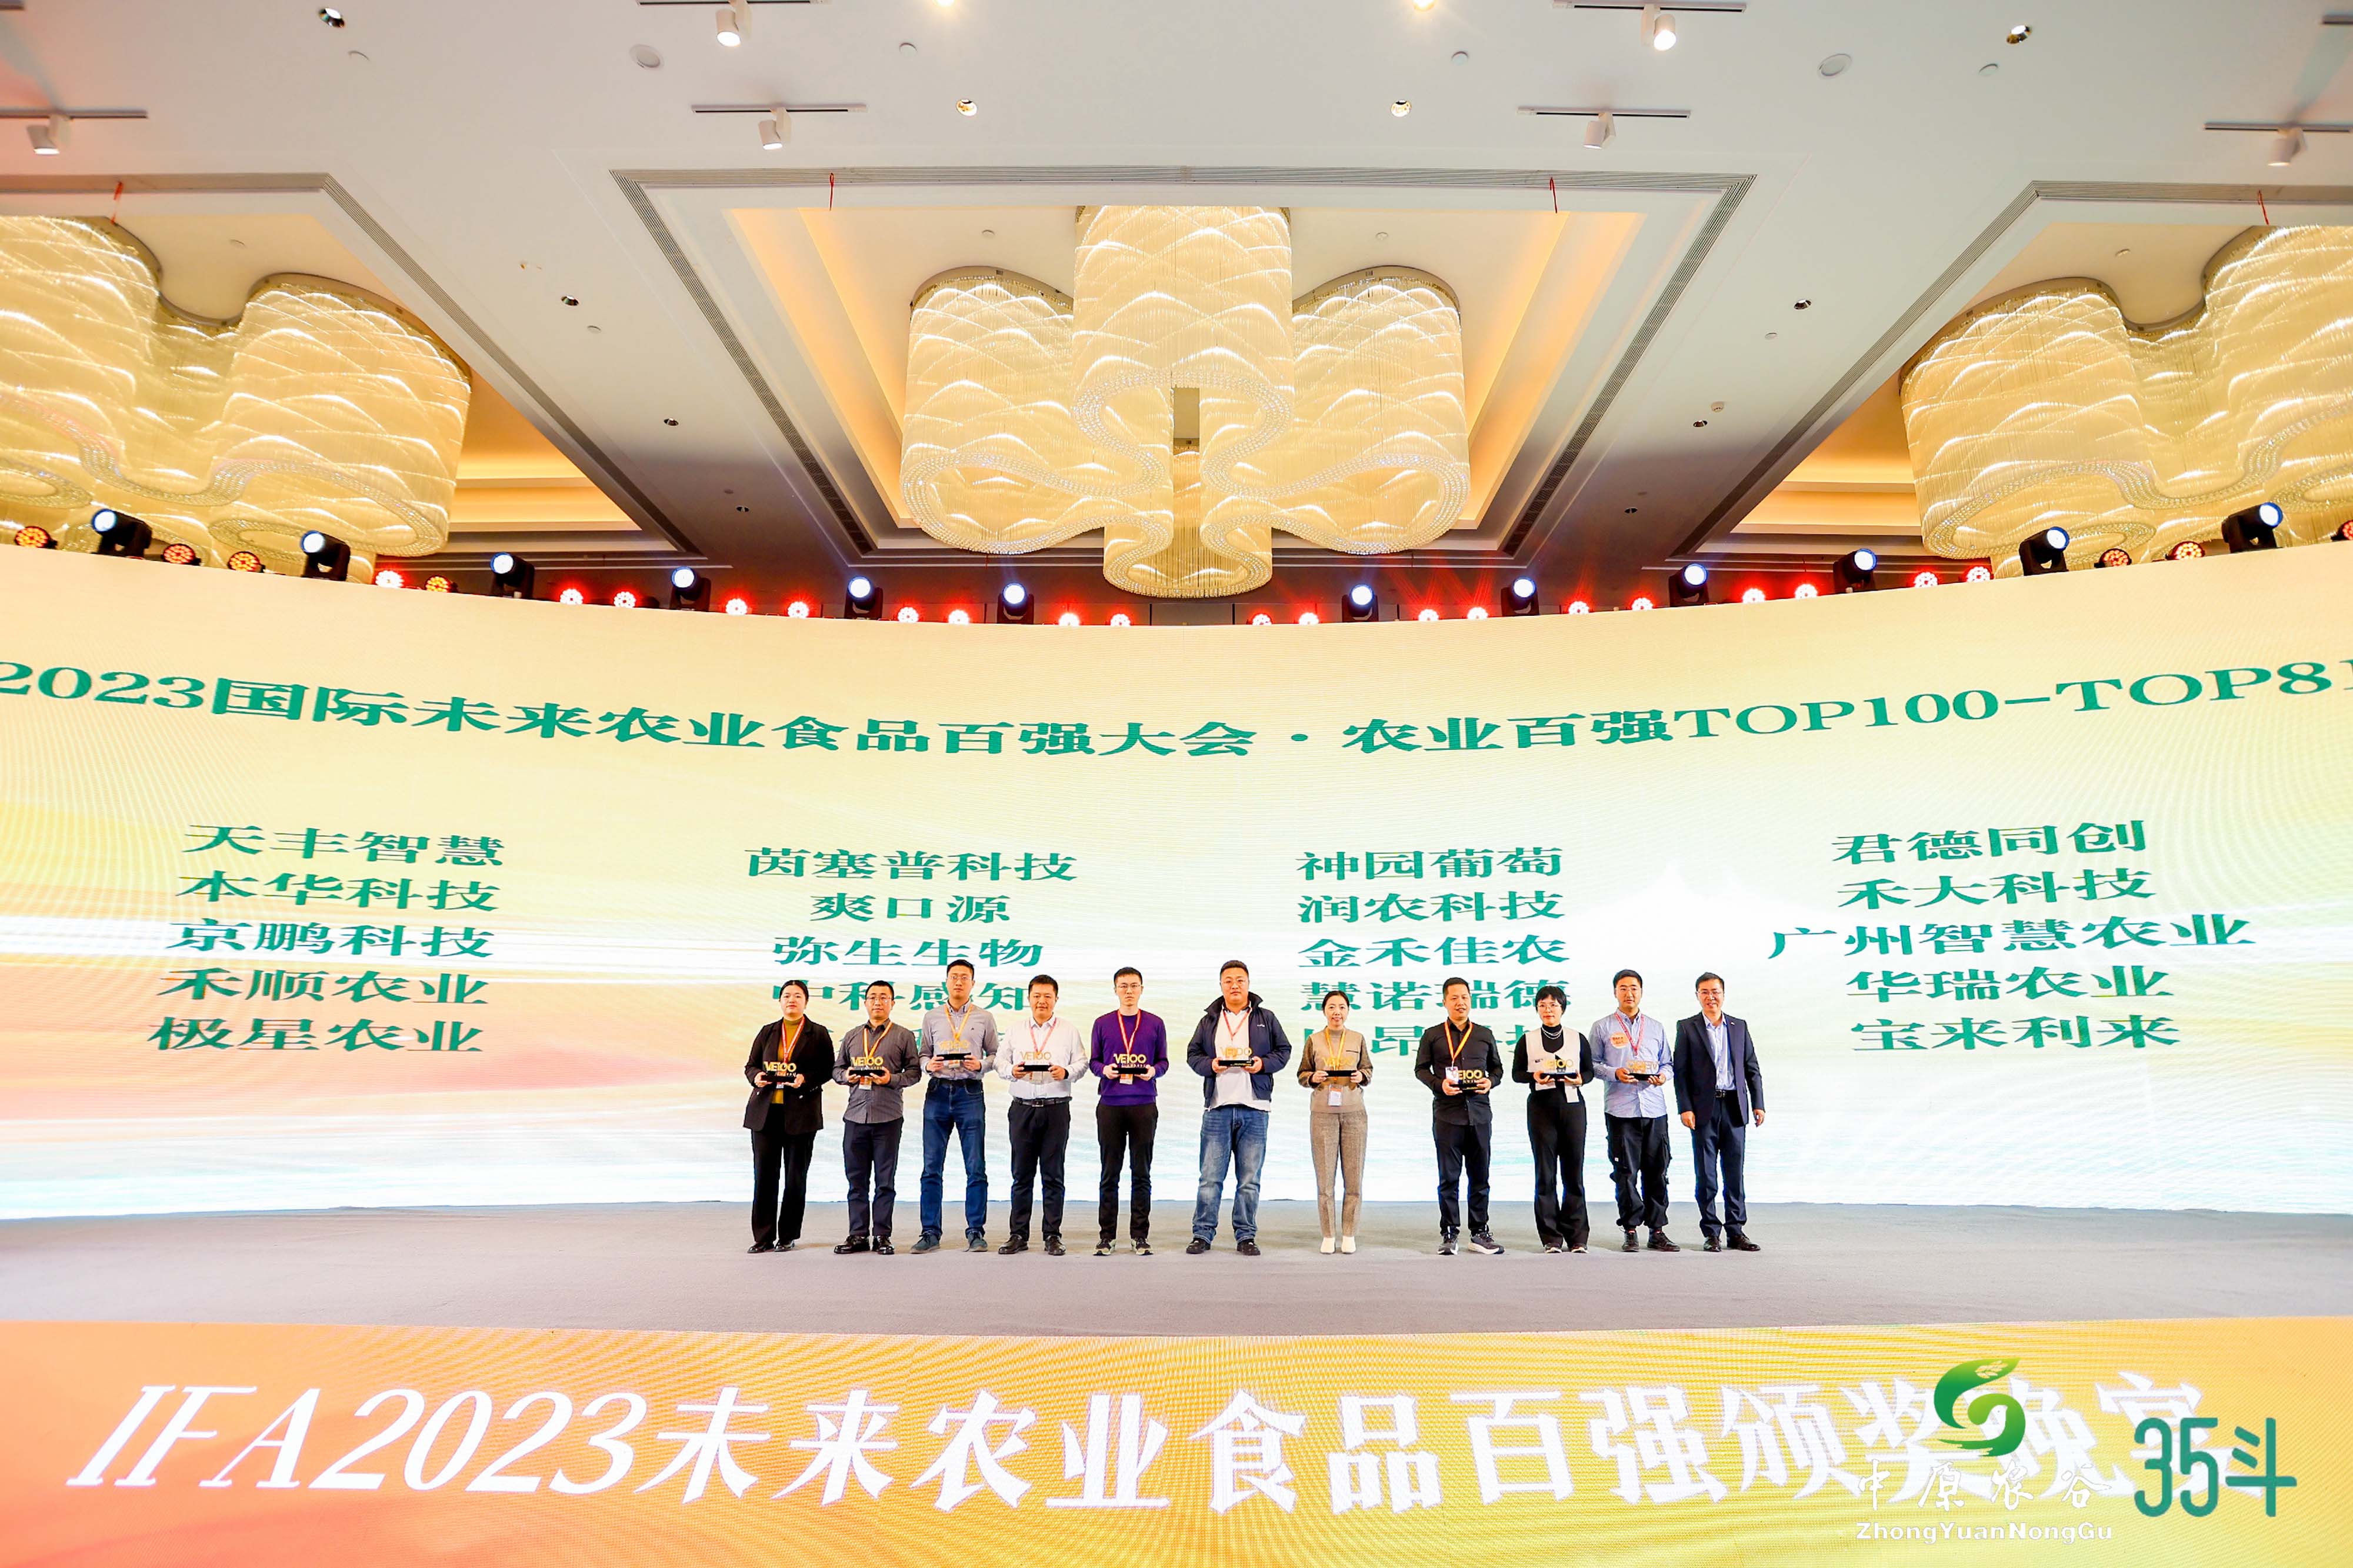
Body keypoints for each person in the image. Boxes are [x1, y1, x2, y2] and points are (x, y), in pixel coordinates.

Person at [1184, 960, 1292, 1256]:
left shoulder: (1266, 1018)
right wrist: (1211, 1065)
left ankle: (1246, 1236)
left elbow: (1284, 1051)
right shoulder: (1209, 1020)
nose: (1235, 985)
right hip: (1217, 1108)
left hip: (1255, 1108)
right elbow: (1193, 1054)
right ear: (1221, 985)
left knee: (1249, 1180)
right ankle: (1202, 1234)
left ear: (1248, 984)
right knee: (1210, 1178)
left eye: (1240, 980)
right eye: (1229, 980)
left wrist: (1262, 1064)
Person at [994, 973, 1087, 1256]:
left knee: (1053, 1175)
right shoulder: (1016, 1030)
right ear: (1029, 998)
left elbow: (1082, 1062)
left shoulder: (1068, 1030)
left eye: (1048, 996)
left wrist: (1066, 1072)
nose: (1042, 1001)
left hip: (1056, 1108)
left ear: (1056, 999)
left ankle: (1052, 1235)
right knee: (1021, 1175)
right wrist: (1012, 1071)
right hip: (1022, 1108)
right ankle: (1018, 1234)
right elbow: (999, 1062)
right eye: (1037, 996)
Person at [1672, 971, 1765, 1253]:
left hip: (1735, 1107)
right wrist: (1685, 1108)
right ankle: (1711, 1232)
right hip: (1704, 1110)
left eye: (1715, 992)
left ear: (1723, 995)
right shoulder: (1687, 1027)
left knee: (1734, 1173)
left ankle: (1736, 1231)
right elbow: (1681, 1073)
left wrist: (1758, 1103)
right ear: (1697, 996)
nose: (1710, 997)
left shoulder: (1739, 1026)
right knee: (1707, 1175)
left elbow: (1751, 1067)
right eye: (1705, 992)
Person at [741, 978, 835, 1253]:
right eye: (786, 996)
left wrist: (806, 1079)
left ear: (806, 1002)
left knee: (795, 1177)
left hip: (801, 1114)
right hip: (766, 1114)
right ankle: (763, 1237)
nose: (791, 1000)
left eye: (797, 996)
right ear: (780, 1001)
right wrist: (756, 1076)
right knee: (765, 1176)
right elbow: (751, 1066)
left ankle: (788, 1235)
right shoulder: (768, 1031)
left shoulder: (818, 1033)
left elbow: (828, 1069)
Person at [1414, 976, 1505, 1255]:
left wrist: (1491, 1082)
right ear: (1445, 1002)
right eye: (1454, 998)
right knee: (1449, 1178)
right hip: (1447, 1115)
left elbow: (1498, 1069)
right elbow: (1421, 1070)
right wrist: (1438, 1084)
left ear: (1471, 1000)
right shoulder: (1432, 1035)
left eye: (1464, 997)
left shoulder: (1484, 1034)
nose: (1460, 1002)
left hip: (1479, 1115)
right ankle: (1450, 1233)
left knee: (1480, 1178)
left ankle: (1479, 1233)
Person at [1590, 969, 1678, 1253]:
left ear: (1641, 992)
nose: (1629, 993)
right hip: (1620, 1110)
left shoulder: (1656, 1027)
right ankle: (1630, 1230)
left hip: (1654, 1109)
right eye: (1624, 988)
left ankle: (1657, 1230)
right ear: (1615, 992)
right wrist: (1615, 1073)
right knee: (1625, 1172)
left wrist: (1662, 1076)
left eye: (1634, 988)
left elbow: (1668, 1064)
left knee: (1658, 1171)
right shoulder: (1602, 1027)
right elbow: (1591, 1065)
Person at [831, 979, 921, 1255]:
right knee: (856, 1180)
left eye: (884, 997)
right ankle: (858, 1234)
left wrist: (891, 1079)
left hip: (888, 1117)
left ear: (892, 1003)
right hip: (855, 1116)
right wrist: (846, 1076)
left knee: (885, 1181)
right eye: (873, 997)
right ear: (865, 1003)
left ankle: (882, 1235)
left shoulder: (904, 1036)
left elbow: (915, 1073)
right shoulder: (852, 1036)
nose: (878, 1002)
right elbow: (836, 1070)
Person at [916, 959, 998, 1255]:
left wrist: (982, 1065)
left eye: (965, 978)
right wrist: (928, 1065)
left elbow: (996, 1054)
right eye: (954, 977)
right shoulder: (932, 1016)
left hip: (970, 1092)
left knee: (975, 1167)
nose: (959, 982)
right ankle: (930, 1232)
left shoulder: (984, 1017)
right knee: (931, 1167)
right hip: (938, 1092)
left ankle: (976, 1231)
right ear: (946, 982)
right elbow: (923, 1053)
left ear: (973, 984)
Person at [1088, 966, 1168, 1256]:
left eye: (1134, 986)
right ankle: (1107, 1236)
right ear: (1115, 990)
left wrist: (1153, 1071)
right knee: (1109, 1173)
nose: (1129, 991)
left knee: (1141, 1173)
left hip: (1143, 1104)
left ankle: (1140, 1235)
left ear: (1142, 989)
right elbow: (1094, 1062)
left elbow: (1163, 1062)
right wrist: (1105, 1070)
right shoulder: (1103, 1023)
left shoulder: (1155, 1023)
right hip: (1111, 1105)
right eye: (1123, 986)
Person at [1512, 984, 1595, 1254]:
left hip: (1572, 1107)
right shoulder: (1527, 1039)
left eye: (1554, 1005)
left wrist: (1581, 1079)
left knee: (1574, 1172)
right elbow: (1516, 1074)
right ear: (1537, 1009)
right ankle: (1551, 1237)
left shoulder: (1577, 1038)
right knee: (1545, 1173)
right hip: (1541, 1108)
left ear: (1563, 1008)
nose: (1548, 1010)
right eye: (1543, 1005)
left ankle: (1577, 1236)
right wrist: (1534, 1076)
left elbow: (1589, 1072)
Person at [1298, 988, 1372, 1254]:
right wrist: (1312, 1078)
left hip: (1354, 1114)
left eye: (1341, 1007)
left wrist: (1362, 1077)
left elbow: (1368, 1069)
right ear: (1324, 1011)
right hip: (1323, 1114)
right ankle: (1328, 1234)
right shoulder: (1314, 1040)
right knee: (1325, 1180)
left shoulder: (1357, 1038)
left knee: (1354, 1179)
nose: (1337, 1012)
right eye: (1331, 1007)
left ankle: (1349, 1233)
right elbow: (1302, 1073)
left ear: (1348, 1011)